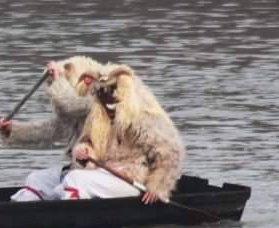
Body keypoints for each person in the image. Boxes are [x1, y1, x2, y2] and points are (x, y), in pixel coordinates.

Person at [53, 64, 185, 204]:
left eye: (112, 91)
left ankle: (70, 217)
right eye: (102, 94)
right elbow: (87, 143)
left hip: (131, 180)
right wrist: (84, 153)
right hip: (103, 174)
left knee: (74, 179)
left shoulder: (144, 120)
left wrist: (157, 187)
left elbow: (171, 154)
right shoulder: (97, 120)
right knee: (38, 178)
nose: (108, 100)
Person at [0, 55, 107, 202]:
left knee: (72, 181)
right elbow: (49, 130)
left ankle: (68, 215)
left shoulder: (99, 103)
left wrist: (57, 77)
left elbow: (70, 104)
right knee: (35, 179)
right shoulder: (74, 117)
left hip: (100, 173)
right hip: (78, 170)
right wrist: (11, 130)